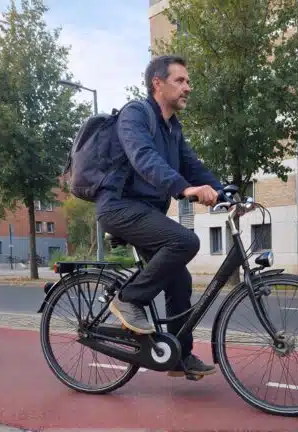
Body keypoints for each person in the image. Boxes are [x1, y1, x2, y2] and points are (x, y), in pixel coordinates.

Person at [95, 55, 223, 378]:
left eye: (188, 82)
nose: (188, 88)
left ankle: (179, 357)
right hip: (118, 207)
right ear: (158, 84)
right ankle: (127, 299)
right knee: (186, 241)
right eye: (180, 81)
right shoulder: (135, 115)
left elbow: (192, 165)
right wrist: (185, 189)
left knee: (180, 278)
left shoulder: (173, 129)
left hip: (146, 211)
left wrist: (224, 191)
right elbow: (144, 159)